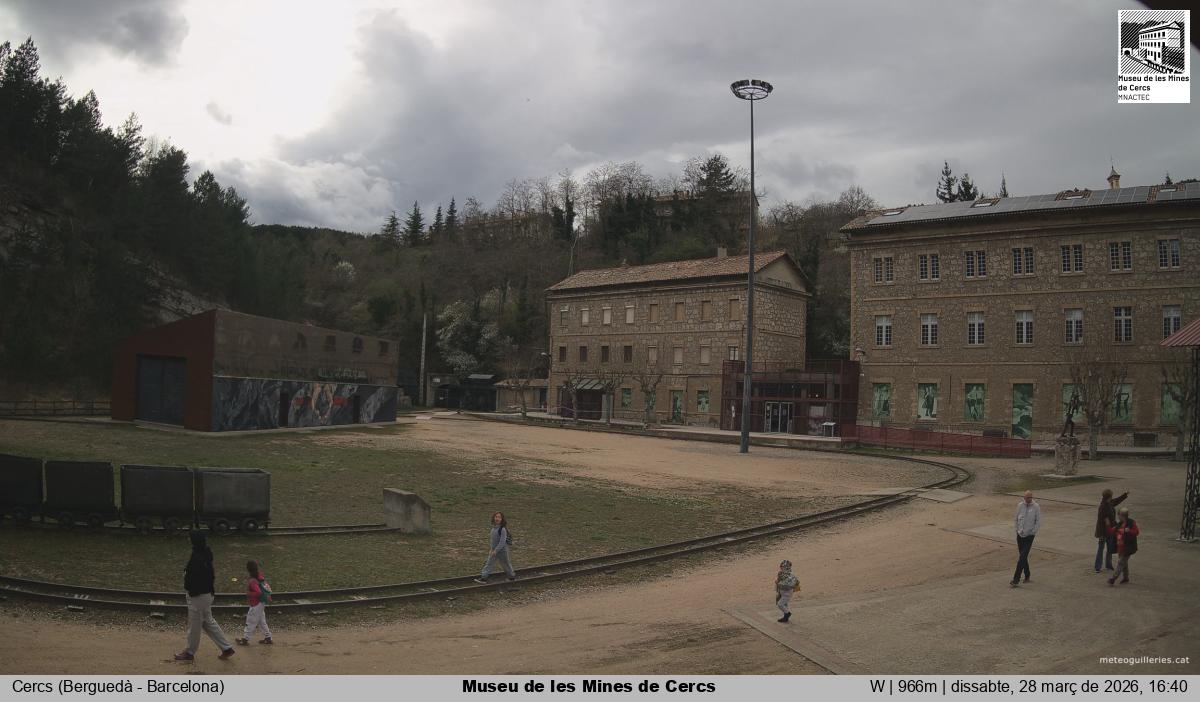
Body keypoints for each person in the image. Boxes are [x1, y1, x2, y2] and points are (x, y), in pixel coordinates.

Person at [175, 530, 235, 661]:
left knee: (194, 625)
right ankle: (227, 648)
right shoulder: (205, 553)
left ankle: (190, 652)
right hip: (207, 594)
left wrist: (187, 580)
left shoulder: (197, 557)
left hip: (198, 596)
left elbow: (192, 578)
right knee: (208, 622)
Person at [235, 560, 273, 646]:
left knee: (251, 620)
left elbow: (258, 592)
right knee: (261, 621)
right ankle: (268, 637)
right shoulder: (259, 576)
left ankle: (245, 639)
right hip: (261, 602)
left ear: (248, 569)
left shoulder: (252, 581)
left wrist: (249, 593)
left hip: (256, 604)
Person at [473, 511, 516, 584]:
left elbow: (502, 542)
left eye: (499, 517)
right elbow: (492, 541)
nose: (497, 518)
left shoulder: (502, 529)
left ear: (502, 519)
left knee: (506, 564)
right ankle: (484, 578)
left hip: (502, 551)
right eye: (496, 517)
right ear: (493, 518)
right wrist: (492, 549)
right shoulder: (493, 529)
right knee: (489, 563)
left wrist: (496, 550)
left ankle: (511, 577)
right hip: (494, 551)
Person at [1010, 490, 1040, 587]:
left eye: (1030, 497)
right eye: (1027, 497)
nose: (1029, 499)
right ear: (1024, 497)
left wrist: (1033, 532)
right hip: (1020, 535)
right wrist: (1017, 529)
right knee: (1023, 557)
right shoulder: (1020, 506)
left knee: (1022, 557)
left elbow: (1038, 521)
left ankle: (1016, 579)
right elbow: (1015, 518)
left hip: (1029, 536)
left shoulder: (1036, 507)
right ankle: (1027, 575)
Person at [1094, 489, 1128, 573]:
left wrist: (1125, 495)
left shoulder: (1109, 503)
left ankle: (1108, 565)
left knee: (1110, 548)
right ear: (1109, 496)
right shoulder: (1103, 506)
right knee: (1101, 548)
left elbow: (1117, 501)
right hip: (1103, 532)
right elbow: (1101, 520)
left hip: (1110, 530)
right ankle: (1098, 567)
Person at [1107, 507, 1139, 586]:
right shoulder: (1120, 524)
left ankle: (1113, 578)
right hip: (1120, 547)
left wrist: (1129, 531)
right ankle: (1126, 578)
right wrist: (1107, 525)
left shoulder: (1131, 523)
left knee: (1121, 563)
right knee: (1124, 563)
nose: (1118, 517)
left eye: (1119, 515)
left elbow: (1136, 532)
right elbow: (1112, 531)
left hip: (1127, 547)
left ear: (1122, 516)